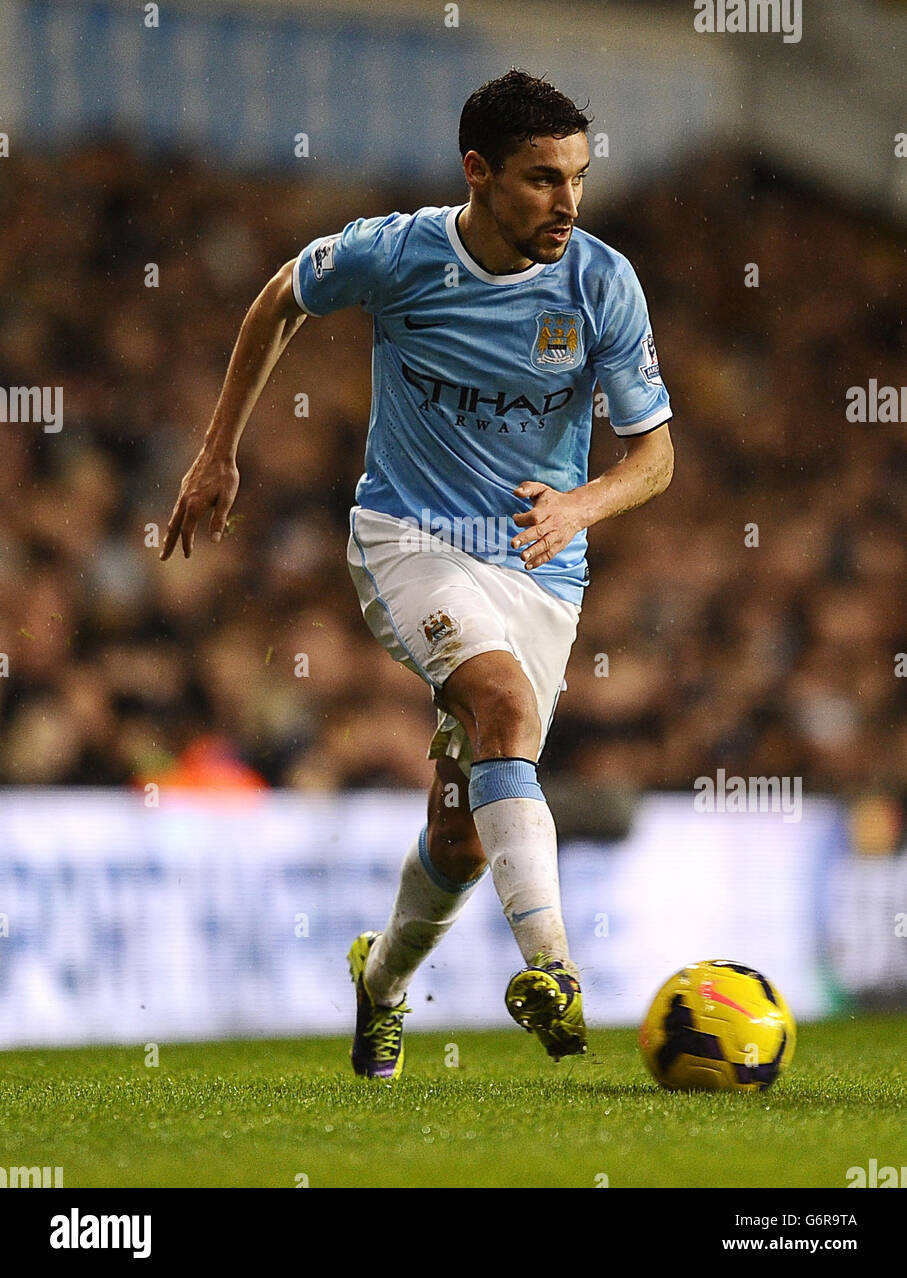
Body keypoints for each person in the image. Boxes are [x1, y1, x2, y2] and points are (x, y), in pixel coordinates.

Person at [161, 69, 674, 1079]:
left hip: (541, 565)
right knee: (502, 709)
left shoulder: (601, 282)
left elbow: (655, 456)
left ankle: (382, 980)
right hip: (410, 537)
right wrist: (219, 449)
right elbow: (278, 299)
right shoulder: (396, 253)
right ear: (476, 174)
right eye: (540, 180)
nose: (566, 203)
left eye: (576, 177)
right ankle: (555, 972)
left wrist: (579, 503)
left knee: (463, 832)